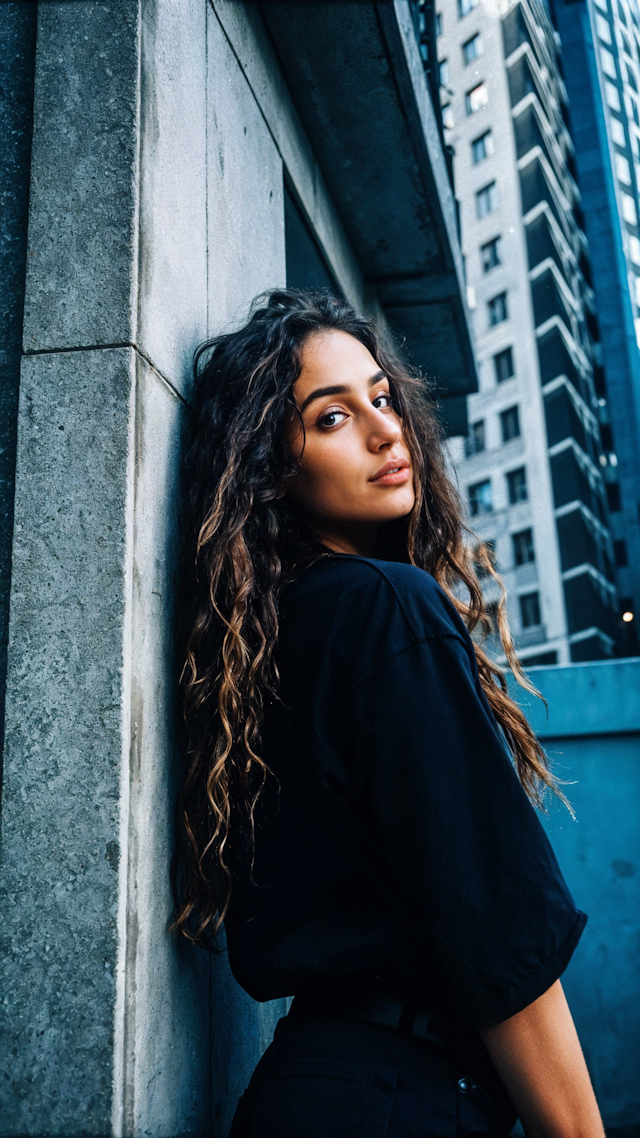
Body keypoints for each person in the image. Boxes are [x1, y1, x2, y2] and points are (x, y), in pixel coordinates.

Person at [172, 289, 604, 1137]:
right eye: (332, 418)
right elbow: (495, 924)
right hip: (393, 1097)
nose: (385, 431)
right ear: (269, 462)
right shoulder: (383, 607)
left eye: (381, 398)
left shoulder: (272, 639)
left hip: (313, 1087)